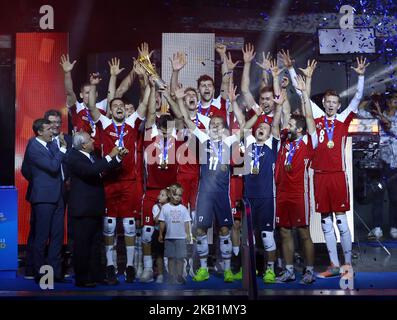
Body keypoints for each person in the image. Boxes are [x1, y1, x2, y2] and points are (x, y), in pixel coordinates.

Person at [176, 83, 246, 282]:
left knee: (225, 230)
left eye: (218, 124)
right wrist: (181, 100)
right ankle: (203, 269)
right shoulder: (203, 137)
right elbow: (188, 122)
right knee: (200, 230)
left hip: (223, 194)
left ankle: (227, 270)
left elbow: (243, 128)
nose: (215, 126)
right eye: (212, 124)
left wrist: (233, 102)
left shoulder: (229, 141)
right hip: (204, 194)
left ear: (223, 128)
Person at [87, 71, 149, 285]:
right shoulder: (103, 123)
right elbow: (92, 107)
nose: (119, 108)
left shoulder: (132, 123)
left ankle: (130, 266)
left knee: (130, 225)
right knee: (110, 227)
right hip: (109, 182)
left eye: (121, 105)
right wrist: (94, 86)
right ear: (110, 110)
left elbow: (143, 104)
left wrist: (148, 80)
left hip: (129, 181)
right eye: (114, 106)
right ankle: (111, 266)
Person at [309, 57, 368, 279]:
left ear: (338, 104)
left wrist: (360, 76)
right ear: (324, 102)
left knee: (341, 220)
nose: (331, 104)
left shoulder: (343, 119)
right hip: (320, 176)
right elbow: (302, 97)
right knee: (326, 222)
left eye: (335, 101)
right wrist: (294, 73)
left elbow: (358, 97)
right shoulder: (316, 117)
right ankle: (333, 264)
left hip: (337, 176)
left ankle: (347, 264)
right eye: (328, 101)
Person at [65, 132, 127, 287]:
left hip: (94, 208)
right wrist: (109, 155)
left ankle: (97, 276)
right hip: (83, 209)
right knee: (83, 245)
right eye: (90, 139)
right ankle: (82, 278)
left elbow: (101, 168)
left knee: (95, 244)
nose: (93, 141)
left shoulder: (90, 155)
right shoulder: (73, 156)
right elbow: (91, 171)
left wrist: (118, 157)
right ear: (83, 144)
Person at [273, 74, 317, 284]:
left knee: (303, 232)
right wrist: (281, 91)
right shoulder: (284, 139)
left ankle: (309, 270)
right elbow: (285, 111)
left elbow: (308, 118)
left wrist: (304, 94)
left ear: (299, 130)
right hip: (282, 193)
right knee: (284, 231)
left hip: (300, 193)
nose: (286, 126)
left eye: (290, 125)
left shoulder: (308, 142)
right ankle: (289, 270)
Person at [22, 118, 67, 283]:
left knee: (57, 236)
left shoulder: (52, 144)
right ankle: (40, 272)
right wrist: (62, 148)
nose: (52, 131)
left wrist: (60, 148)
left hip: (58, 197)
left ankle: (55, 272)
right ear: (39, 132)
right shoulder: (34, 147)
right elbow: (53, 166)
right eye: (48, 129)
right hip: (43, 198)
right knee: (41, 237)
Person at [158, 184, 191, 284]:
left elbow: (186, 222)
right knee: (171, 258)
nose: (178, 197)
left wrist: (188, 234)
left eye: (180, 195)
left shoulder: (183, 208)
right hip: (169, 237)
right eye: (176, 195)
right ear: (170, 195)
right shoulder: (165, 208)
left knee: (180, 258)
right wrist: (160, 234)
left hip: (181, 237)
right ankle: (172, 276)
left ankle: (180, 275)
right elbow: (162, 222)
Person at [152, 189, 169, 283]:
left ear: (168, 198)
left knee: (168, 255)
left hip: (169, 233)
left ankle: (169, 274)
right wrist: (162, 208)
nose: (159, 196)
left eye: (163, 195)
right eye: (160, 194)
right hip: (158, 233)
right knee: (159, 255)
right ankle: (160, 274)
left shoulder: (170, 207)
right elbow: (156, 220)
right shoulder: (156, 207)